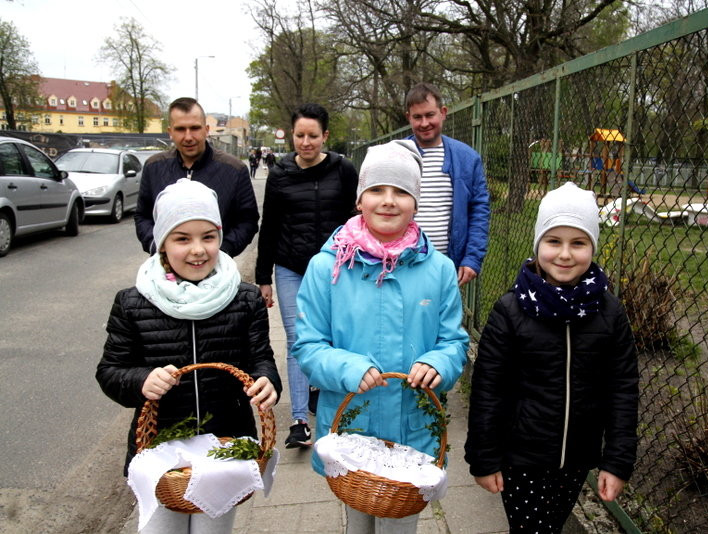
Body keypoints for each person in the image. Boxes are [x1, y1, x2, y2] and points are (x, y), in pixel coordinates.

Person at [293, 140, 469, 534]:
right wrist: (347, 367)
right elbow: (308, 345)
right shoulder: (327, 268)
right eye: (376, 190)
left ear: (416, 203)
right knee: (358, 521)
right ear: (359, 200)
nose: (388, 201)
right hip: (350, 430)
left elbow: (454, 342)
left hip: (414, 433)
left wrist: (438, 363)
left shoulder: (439, 270)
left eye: (402, 192)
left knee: (400, 526)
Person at [96, 179, 282, 534]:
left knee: (214, 528)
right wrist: (141, 381)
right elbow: (110, 372)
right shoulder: (133, 303)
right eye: (182, 238)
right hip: (162, 453)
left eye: (208, 237)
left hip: (224, 451)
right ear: (162, 243)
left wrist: (267, 383)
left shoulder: (244, 300)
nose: (198, 250)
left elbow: (261, 359)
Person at [464, 182, 639, 533]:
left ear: (592, 247)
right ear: (538, 245)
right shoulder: (510, 310)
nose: (564, 254)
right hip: (521, 457)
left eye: (578, 243)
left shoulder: (608, 310)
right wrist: (484, 458)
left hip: (577, 457)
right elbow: (488, 390)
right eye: (553, 241)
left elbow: (623, 388)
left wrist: (617, 461)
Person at [255, 103, 358, 448]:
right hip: (291, 268)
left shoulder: (344, 171)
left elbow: (355, 220)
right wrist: (263, 276)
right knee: (298, 339)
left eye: (313, 135)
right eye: (300, 135)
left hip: (336, 268)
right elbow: (268, 226)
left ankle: (329, 400)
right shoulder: (280, 174)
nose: (305, 142)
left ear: (325, 136)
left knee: (332, 336)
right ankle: (299, 420)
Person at [135, 97, 259, 258]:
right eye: (180, 129)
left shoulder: (234, 170)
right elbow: (142, 216)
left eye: (195, 128)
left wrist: (221, 252)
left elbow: (247, 221)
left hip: (216, 270)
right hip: (165, 269)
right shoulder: (154, 167)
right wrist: (156, 246)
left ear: (206, 130)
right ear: (170, 132)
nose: (188, 137)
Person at [404, 82, 490, 286]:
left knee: (442, 317)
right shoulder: (397, 155)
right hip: (400, 263)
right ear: (409, 117)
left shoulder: (467, 158)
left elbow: (480, 210)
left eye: (430, 115)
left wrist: (472, 258)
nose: (424, 123)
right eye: (417, 117)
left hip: (447, 265)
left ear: (443, 113)